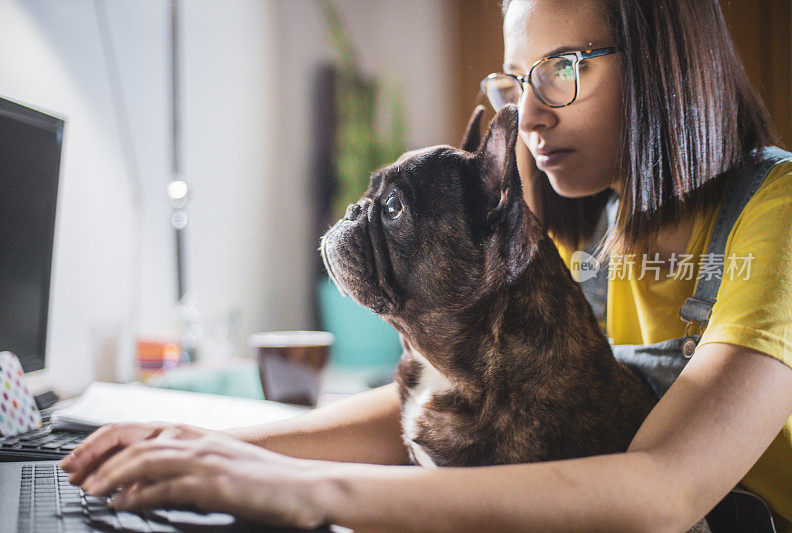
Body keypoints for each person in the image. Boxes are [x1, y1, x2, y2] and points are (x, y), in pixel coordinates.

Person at [60, 0, 792, 530]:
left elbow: (662, 493)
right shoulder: (593, 227)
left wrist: (308, 489)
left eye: (563, 68)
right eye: (515, 80)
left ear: (668, 55)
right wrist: (212, 450)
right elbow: (457, 404)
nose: (530, 116)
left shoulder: (777, 213)